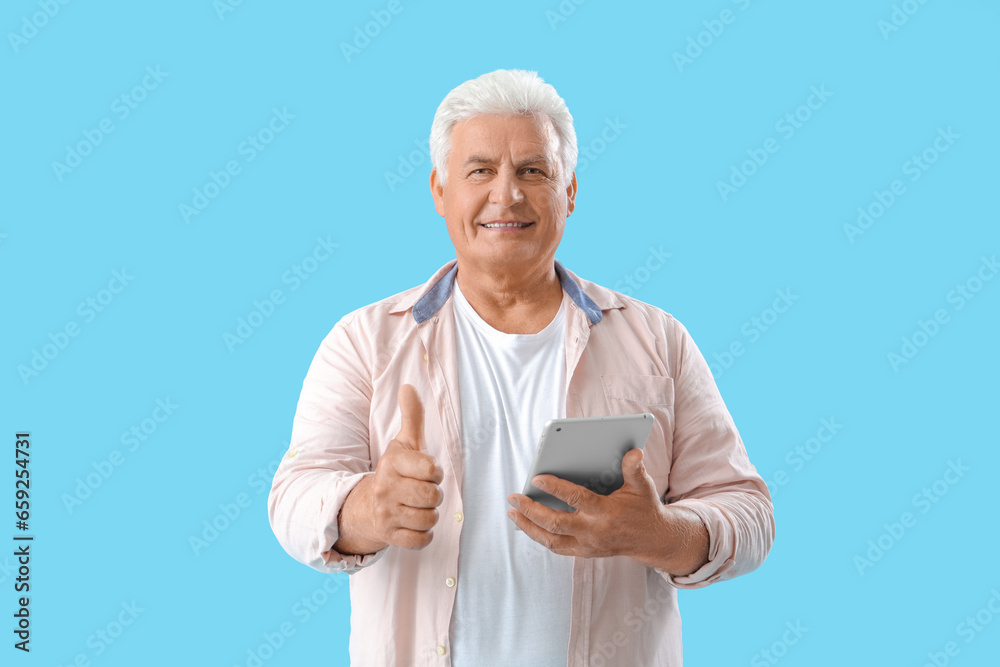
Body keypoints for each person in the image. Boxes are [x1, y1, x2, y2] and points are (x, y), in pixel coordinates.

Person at [268, 69, 774, 667]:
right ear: (439, 189)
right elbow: (294, 500)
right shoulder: (363, 341)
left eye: (533, 170)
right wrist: (368, 507)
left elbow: (748, 512)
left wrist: (658, 533)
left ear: (571, 192)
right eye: (480, 170)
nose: (506, 194)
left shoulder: (658, 339)